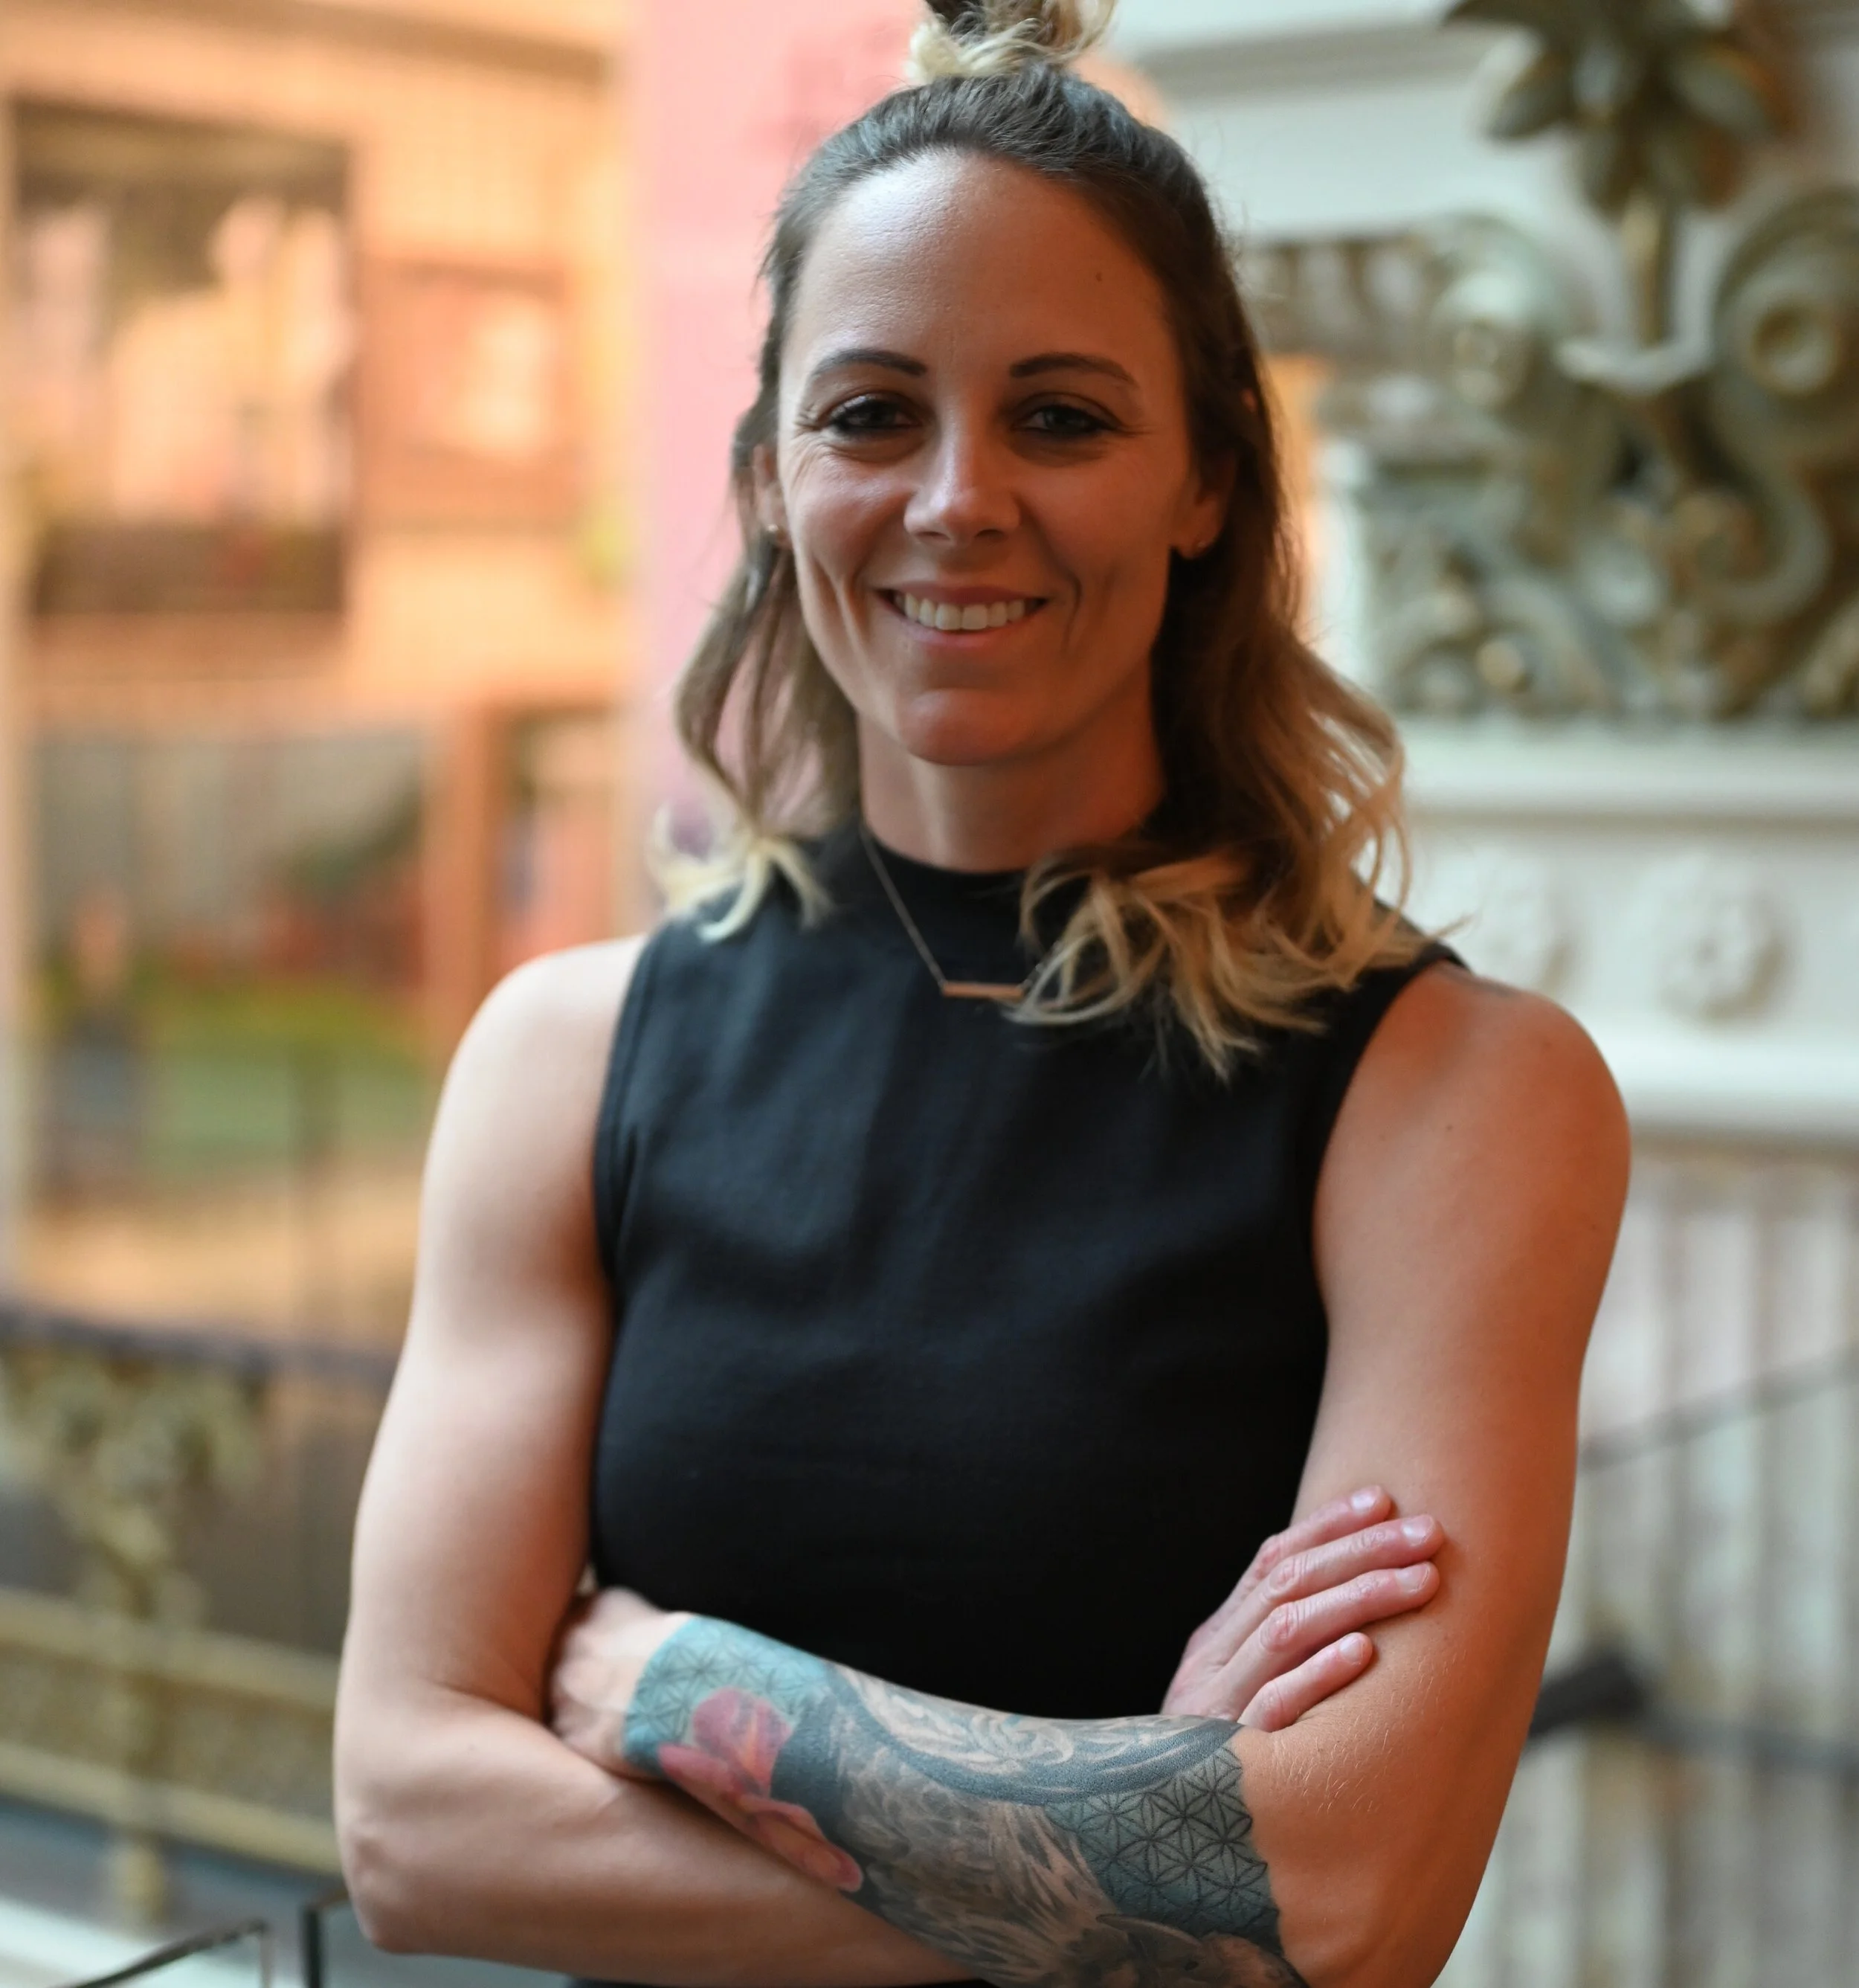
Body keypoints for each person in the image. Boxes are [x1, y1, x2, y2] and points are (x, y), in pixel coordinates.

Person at [333, 3, 1629, 1983]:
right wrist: (1142, 1839)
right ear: (771, 478)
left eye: (1060, 416)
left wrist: (685, 1696)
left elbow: (1351, 1897)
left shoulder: (1452, 1095)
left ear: (1205, 478)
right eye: (869, 416)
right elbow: (410, 1823)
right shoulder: (564, 1058)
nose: (956, 501)